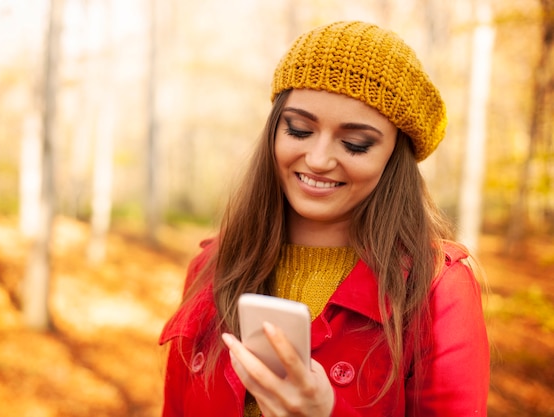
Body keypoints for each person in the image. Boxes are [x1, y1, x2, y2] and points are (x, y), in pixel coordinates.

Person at [158, 20, 490, 417]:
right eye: (299, 130)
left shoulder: (436, 287)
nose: (317, 160)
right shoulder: (211, 267)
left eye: (355, 143)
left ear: (393, 157)